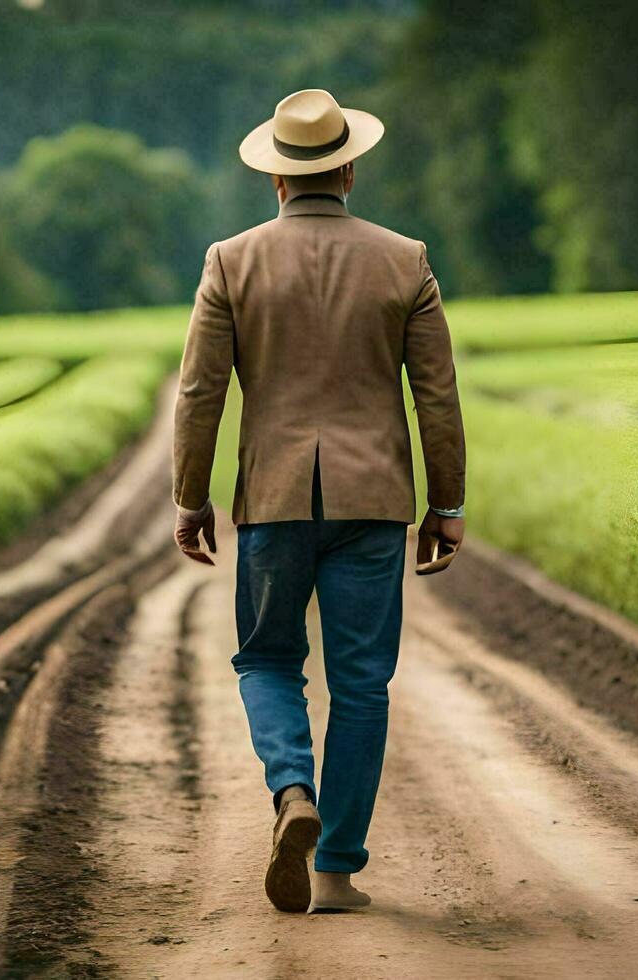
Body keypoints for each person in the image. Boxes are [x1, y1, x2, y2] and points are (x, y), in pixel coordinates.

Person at [171, 88, 466, 914]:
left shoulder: (231, 260)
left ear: (275, 178)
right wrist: (448, 504)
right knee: (363, 683)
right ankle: (336, 868)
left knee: (267, 658)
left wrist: (190, 499)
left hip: (271, 500)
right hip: (374, 502)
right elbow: (436, 397)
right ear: (348, 167)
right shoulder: (405, 259)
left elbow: (201, 393)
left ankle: (292, 790)